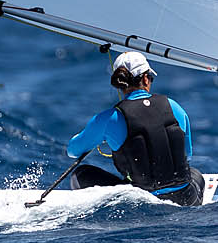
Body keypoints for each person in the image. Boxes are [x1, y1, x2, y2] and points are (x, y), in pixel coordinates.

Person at [65, 51, 205, 206]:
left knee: (80, 174)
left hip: (142, 203)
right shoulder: (174, 106)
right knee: (196, 175)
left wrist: (96, 133)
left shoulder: (109, 118)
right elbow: (187, 155)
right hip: (186, 197)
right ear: (145, 78)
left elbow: (72, 151)